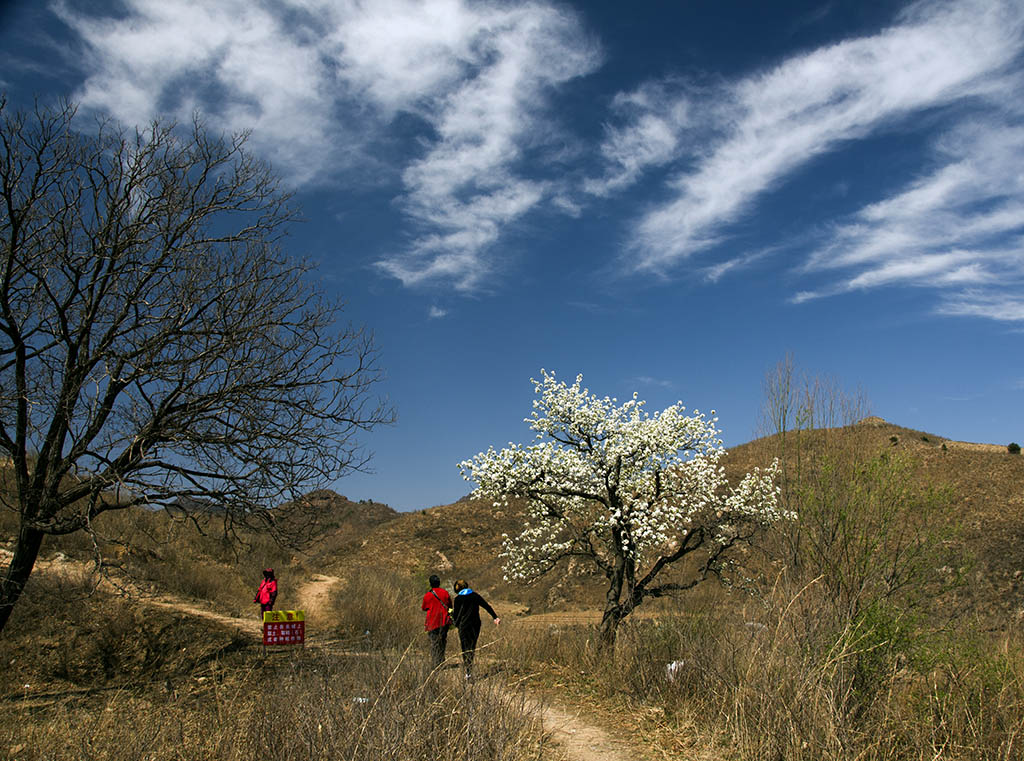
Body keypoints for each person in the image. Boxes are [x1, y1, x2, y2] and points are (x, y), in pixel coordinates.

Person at [451, 579, 500, 679]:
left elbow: (456, 616)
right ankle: (469, 670)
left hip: (464, 626)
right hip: (475, 625)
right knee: (472, 647)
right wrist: (495, 617)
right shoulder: (475, 595)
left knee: (465, 648)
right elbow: (487, 606)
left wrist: (452, 617)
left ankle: (468, 672)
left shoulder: (458, 599)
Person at [421, 574, 452, 670]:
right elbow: (450, 606)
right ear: (439, 583)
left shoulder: (428, 595)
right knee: (442, 641)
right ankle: (441, 661)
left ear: (430, 584)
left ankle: (435, 664)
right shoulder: (445, 593)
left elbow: (424, 608)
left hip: (432, 622)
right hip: (444, 621)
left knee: (434, 643)